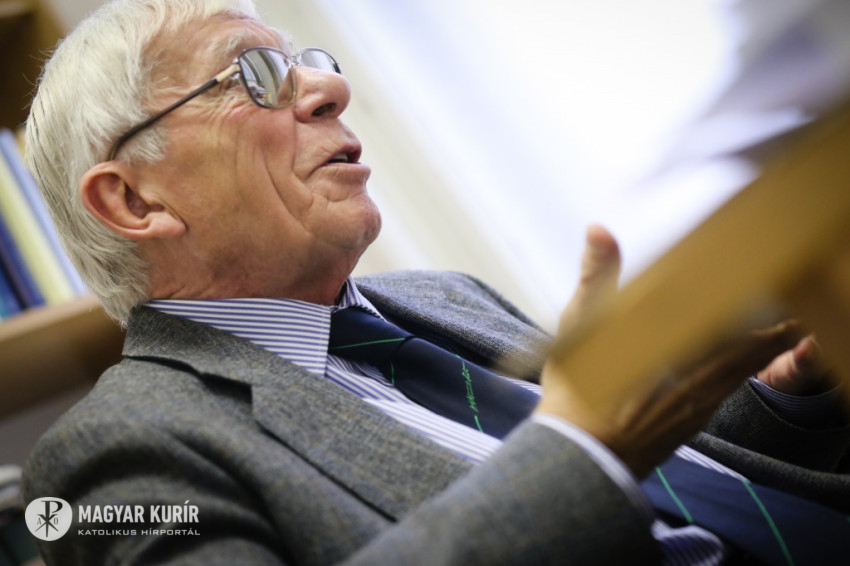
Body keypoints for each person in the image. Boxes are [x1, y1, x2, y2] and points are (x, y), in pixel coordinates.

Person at [22, 0, 849, 564]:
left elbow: (680, 490)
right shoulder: (108, 460)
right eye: (255, 76)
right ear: (135, 201)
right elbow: (591, 458)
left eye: (307, 64)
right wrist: (578, 451)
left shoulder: (443, 296)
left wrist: (780, 396)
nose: (332, 89)